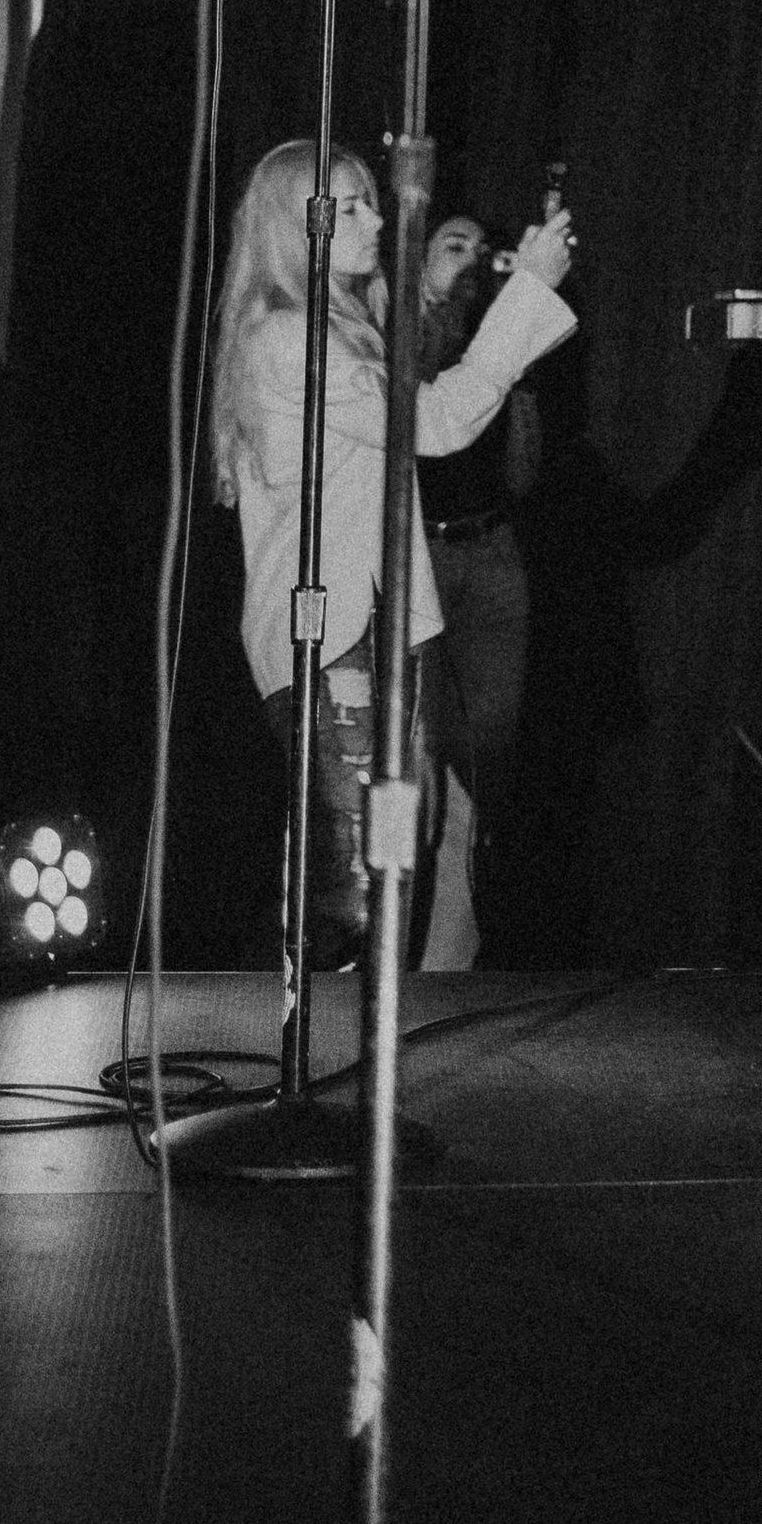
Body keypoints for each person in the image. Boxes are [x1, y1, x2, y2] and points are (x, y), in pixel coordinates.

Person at [208, 141, 577, 968]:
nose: (379, 219)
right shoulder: (286, 340)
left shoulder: (337, 329)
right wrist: (530, 291)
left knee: (419, 842)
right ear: (300, 225)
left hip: (376, 627)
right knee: (360, 879)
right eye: (354, 207)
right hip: (338, 637)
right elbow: (435, 423)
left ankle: (400, 1041)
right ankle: (340, 1069)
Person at [415, 203, 559, 960]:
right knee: (414, 781)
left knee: (479, 781)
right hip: (421, 563)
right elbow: (426, 430)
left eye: (483, 249)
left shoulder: (499, 345)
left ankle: (448, 970)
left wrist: (524, 385)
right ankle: (373, 970)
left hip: (492, 553)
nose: (471, 261)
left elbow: (522, 477)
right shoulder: (384, 338)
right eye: (453, 244)